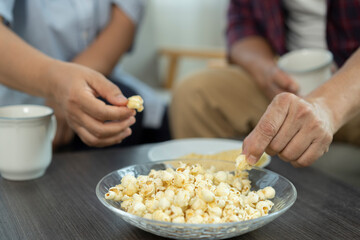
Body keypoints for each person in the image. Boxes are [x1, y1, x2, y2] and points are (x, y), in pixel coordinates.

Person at [170, 0, 360, 167]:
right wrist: (266, 72)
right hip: (289, 81)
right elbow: (242, 25)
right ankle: (213, 199)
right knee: (195, 94)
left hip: (351, 86)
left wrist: (326, 106)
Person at [0, 0, 169, 150]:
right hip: (22, 107)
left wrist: (67, 88)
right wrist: (56, 83)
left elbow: (124, 22)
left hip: (106, 89)